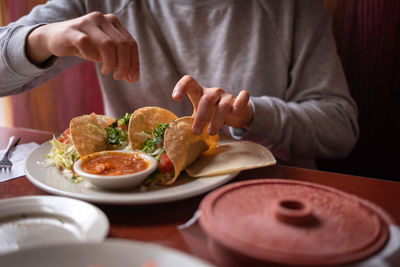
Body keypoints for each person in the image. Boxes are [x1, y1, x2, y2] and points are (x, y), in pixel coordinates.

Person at [0, 0, 359, 168]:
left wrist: (251, 115)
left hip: (262, 199)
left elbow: (340, 128)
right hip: (129, 200)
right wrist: (43, 38)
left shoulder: (294, 8)